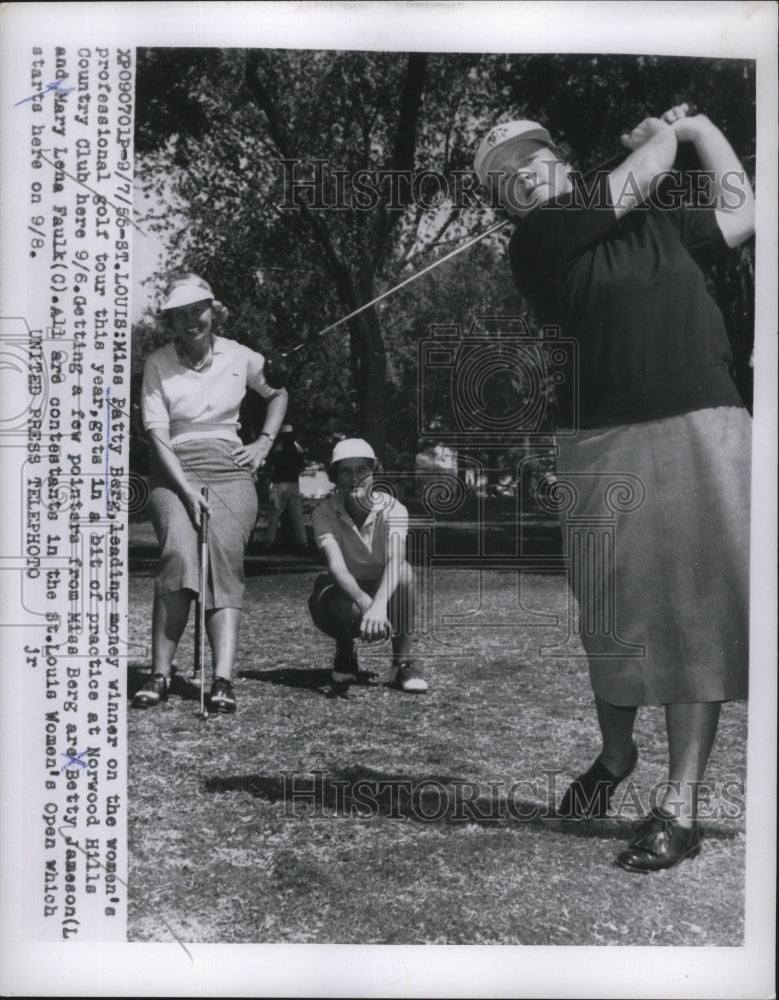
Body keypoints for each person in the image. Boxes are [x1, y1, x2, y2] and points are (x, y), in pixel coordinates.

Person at [474, 105, 754, 871]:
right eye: (505, 179)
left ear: (559, 155)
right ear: (506, 204)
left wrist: (698, 130)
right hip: (598, 434)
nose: (522, 174)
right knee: (614, 612)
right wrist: (662, 135)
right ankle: (615, 755)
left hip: (701, 412)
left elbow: (745, 210)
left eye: (531, 155)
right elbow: (643, 167)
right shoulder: (540, 239)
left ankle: (681, 804)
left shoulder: (656, 221)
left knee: (694, 611)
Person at [133, 273, 288, 713]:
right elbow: (156, 433)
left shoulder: (239, 355)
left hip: (230, 467)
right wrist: (185, 492)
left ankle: (222, 679)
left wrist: (263, 443)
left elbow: (277, 392)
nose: (189, 321)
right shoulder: (157, 362)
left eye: (196, 310)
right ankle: (160, 673)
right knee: (180, 556)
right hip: (172, 467)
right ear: (172, 322)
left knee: (223, 564)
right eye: (179, 315)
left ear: (212, 310)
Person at [308, 438, 427, 693]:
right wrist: (367, 605)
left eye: (362, 470)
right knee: (339, 599)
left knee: (404, 571)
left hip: (383, 590)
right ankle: (345, 652)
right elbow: (337, 569)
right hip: (343, 596)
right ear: (335, 477)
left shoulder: (394, 509)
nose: (355, 478)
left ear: (375, 474)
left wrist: (379, 606)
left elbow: (397, 559)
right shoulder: (323, 513)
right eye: (346, 471)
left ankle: (402, 663)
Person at [264, 424, 308, 549]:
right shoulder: (297, 447)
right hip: (293, 484)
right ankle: (303, 541)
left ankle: (269, 542)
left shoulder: (277, 447)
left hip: (280, 484)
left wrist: (273, 477)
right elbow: (302, 465)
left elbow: (270, 464)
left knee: (274, 515)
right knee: (297, 516)